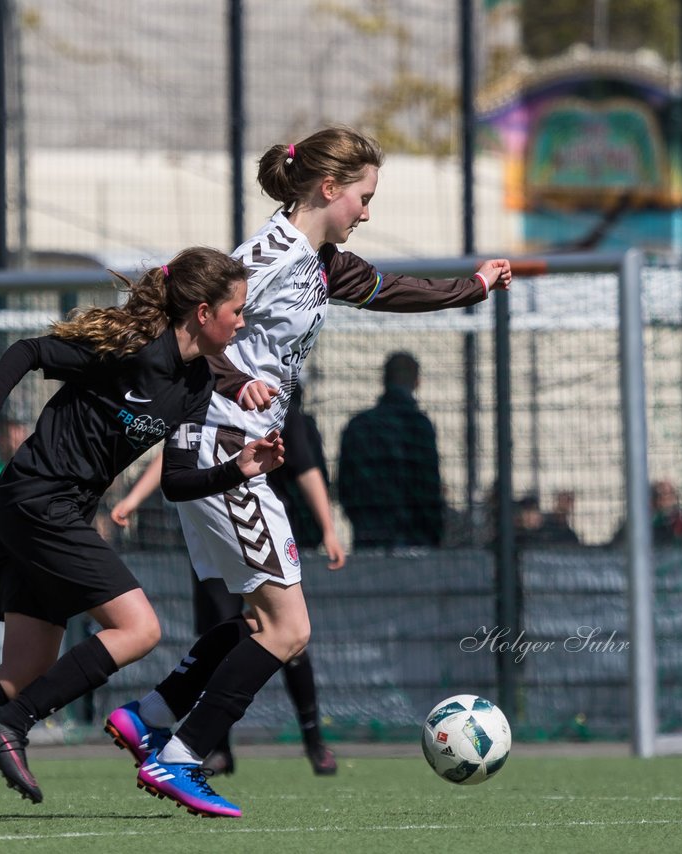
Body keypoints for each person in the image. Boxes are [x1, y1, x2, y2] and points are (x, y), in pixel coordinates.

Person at [104, 126, 511, 818]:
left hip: (235, 453)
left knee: (257, 616)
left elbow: (393, 289)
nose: (367, 213)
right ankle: (180, 756)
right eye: (364, 197)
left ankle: (150, 714)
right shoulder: (262, 258)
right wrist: (235, 381)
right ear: (329, 189)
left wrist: (471, 288)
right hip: (221, 450)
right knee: (288, 630)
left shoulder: (324, 264)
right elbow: (180, 321)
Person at [0, 247, 285, 820]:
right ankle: (11, 723)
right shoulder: (135, 348)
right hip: (38, 500)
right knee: (139, 629)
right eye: (238, 309)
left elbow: (179, 482)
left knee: (23, 670)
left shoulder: (194, 384)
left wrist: (239, 469)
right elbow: (28, 350)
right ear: (204, 312)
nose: (243, 321)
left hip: (49, 511)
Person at [108, 381, 345, 778]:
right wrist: (132, 499)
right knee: (280, 629)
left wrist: (328, 527)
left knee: (276, 631)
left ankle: (310, 740)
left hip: (254, 520)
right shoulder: (221, 392)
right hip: (227, 516)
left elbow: (306, 468)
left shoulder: (275, 404)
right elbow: (175, 455)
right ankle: (197, 749)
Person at [338, 351, 444, 550]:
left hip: (369, 532)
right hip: (416, 535)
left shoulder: (358, 426)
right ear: (417, 382)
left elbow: (345, 484)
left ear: (383, 380)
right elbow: (430, 485)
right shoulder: (420, 426)